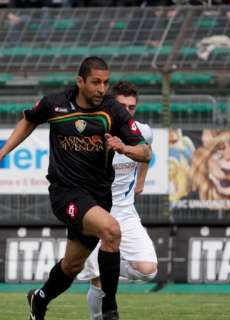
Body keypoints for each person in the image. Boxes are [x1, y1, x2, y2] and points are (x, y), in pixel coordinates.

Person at [0, 57, 151, 320]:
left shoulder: (112, 112)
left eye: (105, 83)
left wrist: (125, 147)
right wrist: (3, 152)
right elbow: (29, 119)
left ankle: (39, 298)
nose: (101, 89)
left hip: (98, 198)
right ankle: (110, 310)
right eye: (95, 82)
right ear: (80, 81)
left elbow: (145, 151)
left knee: (71, 266)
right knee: (111, 229)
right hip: (65, 193)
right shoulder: (55, 104)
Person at [77, 81, 158, 320]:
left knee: (148, 270)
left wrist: (141, 182)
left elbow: (147, 152)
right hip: (95, 211)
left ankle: (105, 263)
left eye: (131, 107)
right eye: (121, 105)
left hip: (125, 211)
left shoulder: (143, 131)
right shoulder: (91, 132)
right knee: (99, 280)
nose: (127, 111)